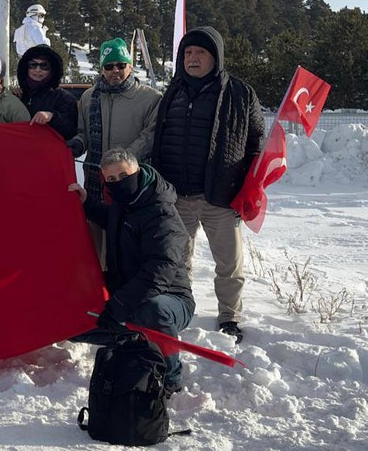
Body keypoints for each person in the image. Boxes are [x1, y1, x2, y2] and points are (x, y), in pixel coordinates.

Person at [151, 26, 264, 343]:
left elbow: (257, 143)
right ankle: (181, 309)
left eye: (200, 52)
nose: (192, 58)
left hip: (220, 197)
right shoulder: (172, 92)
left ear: (215, 57)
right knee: (177, 261)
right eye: (187, 53)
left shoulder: (240, 94)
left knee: (229, 264)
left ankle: (230, 316)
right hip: (177, 196)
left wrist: (248, 184)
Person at [69, 148, 194, 395]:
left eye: (124, 175)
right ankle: (131, 337)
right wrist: (86, 203)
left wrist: (117, 307)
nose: (119, 183)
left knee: (153, 310)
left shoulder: (161, 213)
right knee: (73, 318)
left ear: (138, 171)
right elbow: (113, 220)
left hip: (170, 300)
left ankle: (171, 376)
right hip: (128, 294)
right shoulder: (124, 204)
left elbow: (159, 272)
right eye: (111, 180)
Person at [73, 38, 162, 202]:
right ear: (102, 69)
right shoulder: (89, 97)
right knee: (95, 224)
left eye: (121, 65)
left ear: (130, 66)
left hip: (133, 181)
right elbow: (83, 132)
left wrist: (122, 163)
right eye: (109, 66)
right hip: (95, 182)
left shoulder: (151, 98)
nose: (115, 70)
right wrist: (78, 143)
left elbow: (150, 137)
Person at [16, 44, 79, 142]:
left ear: (52, 69)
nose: (37, 70)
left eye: (44, 66)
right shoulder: (18, 96)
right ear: (26, 68)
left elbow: (71, 132)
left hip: (49, 154)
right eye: (33, 65)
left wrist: (52, 117)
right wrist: (11, 99)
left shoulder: (65, 99)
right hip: (19, 152)